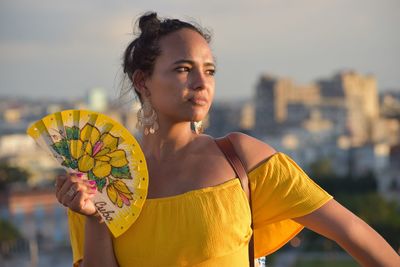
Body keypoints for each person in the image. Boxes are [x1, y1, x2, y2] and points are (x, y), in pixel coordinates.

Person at [55, 12, 400, 267]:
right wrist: (96, 217)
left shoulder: (243, 159)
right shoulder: (97, 179)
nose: (202, 83)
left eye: (209, 70)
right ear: (143, 81)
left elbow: (353, 233)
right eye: (183, 69)